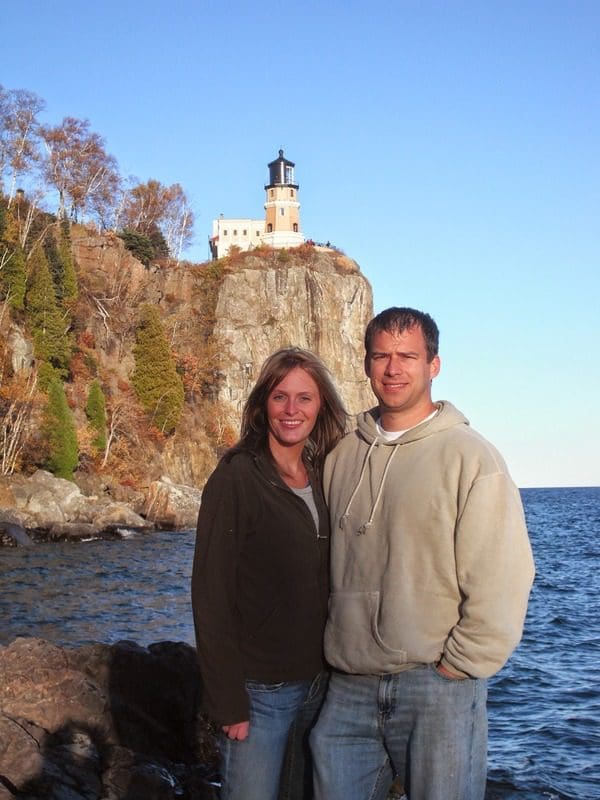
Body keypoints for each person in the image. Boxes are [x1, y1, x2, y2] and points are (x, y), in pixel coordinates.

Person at [310, 307, 535, 800]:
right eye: (381, 356)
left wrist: (460, 665)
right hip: (348, 685)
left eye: (408, 356)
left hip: (436, 685)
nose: (393, 369)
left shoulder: (470, 456)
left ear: (433, 365)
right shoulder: (342, 454)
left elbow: (504, 573)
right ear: (366, 364)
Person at [192, 347, 347, 800]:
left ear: (321, 408)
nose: (292, 410)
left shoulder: (322, 476)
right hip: (260, 693)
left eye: (305, 398)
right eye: (281, 397)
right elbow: (210, 594)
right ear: (263, 404)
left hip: (322, 686)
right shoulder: (236, 477)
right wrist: (228, 702)